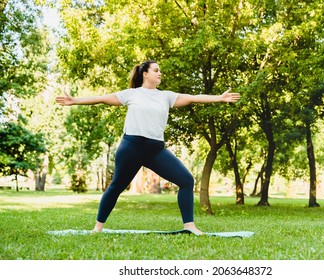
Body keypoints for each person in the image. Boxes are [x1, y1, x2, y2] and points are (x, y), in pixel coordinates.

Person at [56, 60, 240, 235]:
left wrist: (220, 98)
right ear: (145, 74)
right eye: (156, 70)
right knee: (116, 187)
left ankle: (189, 225)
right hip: (131, 147)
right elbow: (102, 99)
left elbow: (192, 98)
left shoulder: (166, 96)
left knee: (186, 180)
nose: (160, 73)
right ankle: (97, 228)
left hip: (155, 150)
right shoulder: (132, 94)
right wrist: (75, 100)